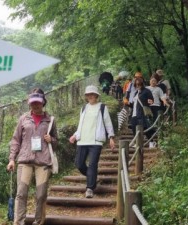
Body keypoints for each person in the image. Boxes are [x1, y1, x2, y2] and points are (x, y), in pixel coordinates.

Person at [7, 88, 58, 225]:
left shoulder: (50, 120)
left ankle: (38, 221)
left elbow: (56, 141)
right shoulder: (23, 119)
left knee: (41, 195)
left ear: (43, 103)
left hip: (43, 161)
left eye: (38, 103)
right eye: (33, 103)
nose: (35, 105)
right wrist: (12, 159)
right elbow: (16, 140)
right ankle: (18, 222)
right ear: (29, 104)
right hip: (25, 160)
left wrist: (51, 140)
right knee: (21, 193)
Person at [69, 85, 115, 198]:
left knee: (92, 164)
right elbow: (81, 124)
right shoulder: (84, 108)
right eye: (88, 94)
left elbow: (108, 122)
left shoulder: (102, 107)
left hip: (95, 141)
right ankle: (92, 177)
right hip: (82, 140)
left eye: (92, 94)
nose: (90, 96)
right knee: (79, 164)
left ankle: (89, 188)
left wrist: (111, 137)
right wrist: (75, 135)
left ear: (96, 95)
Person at [130, 77, 155, 142]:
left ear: (142, 84)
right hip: (134, 114)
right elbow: (133, 104)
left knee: (145, 128)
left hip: (142, 113)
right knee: (134, 129)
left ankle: (151, 142)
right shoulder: (136, 93)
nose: (137, 86)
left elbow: (151, 100)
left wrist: (150, 102)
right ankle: (137, 143)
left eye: (139, 84)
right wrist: (127, 103)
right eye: (136, 84)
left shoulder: (146, 91)